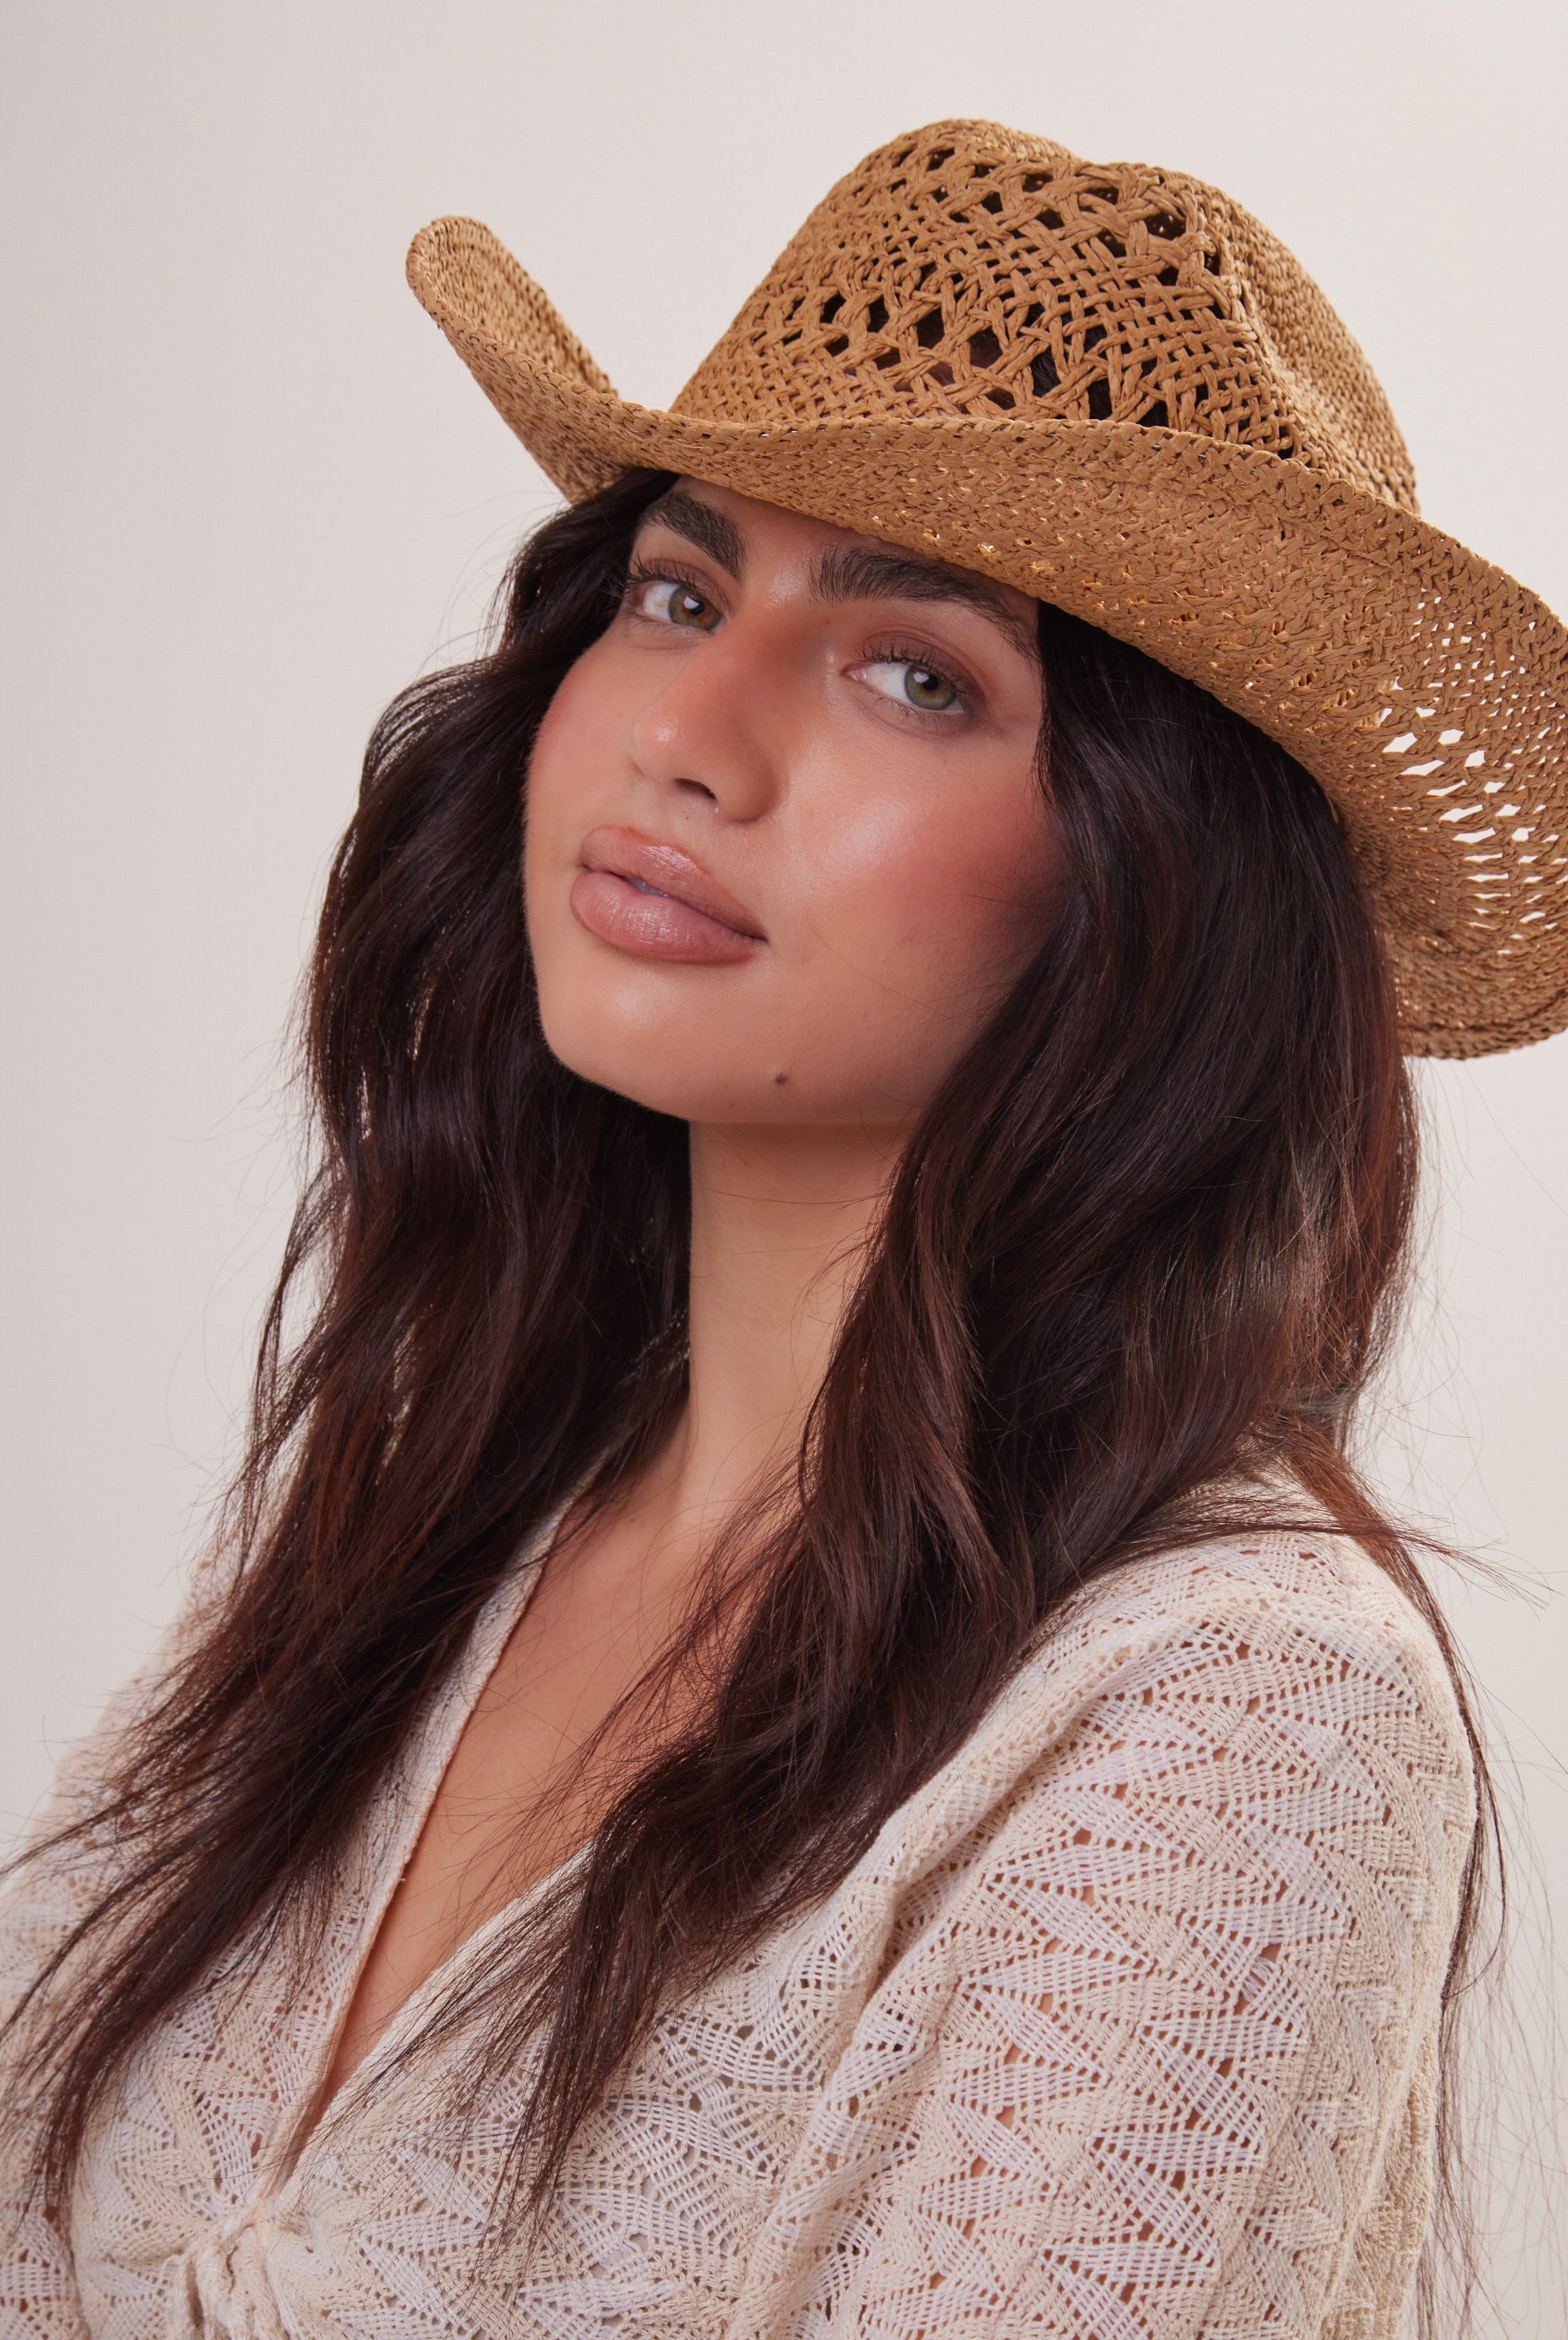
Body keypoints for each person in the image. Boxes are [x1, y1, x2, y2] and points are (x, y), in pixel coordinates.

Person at [2, 117, 1562, 2340]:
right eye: (680, 588)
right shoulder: (438, 1523)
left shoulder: (1233, 1721)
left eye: (916, 671)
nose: (688, 736)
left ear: (1154, 892)